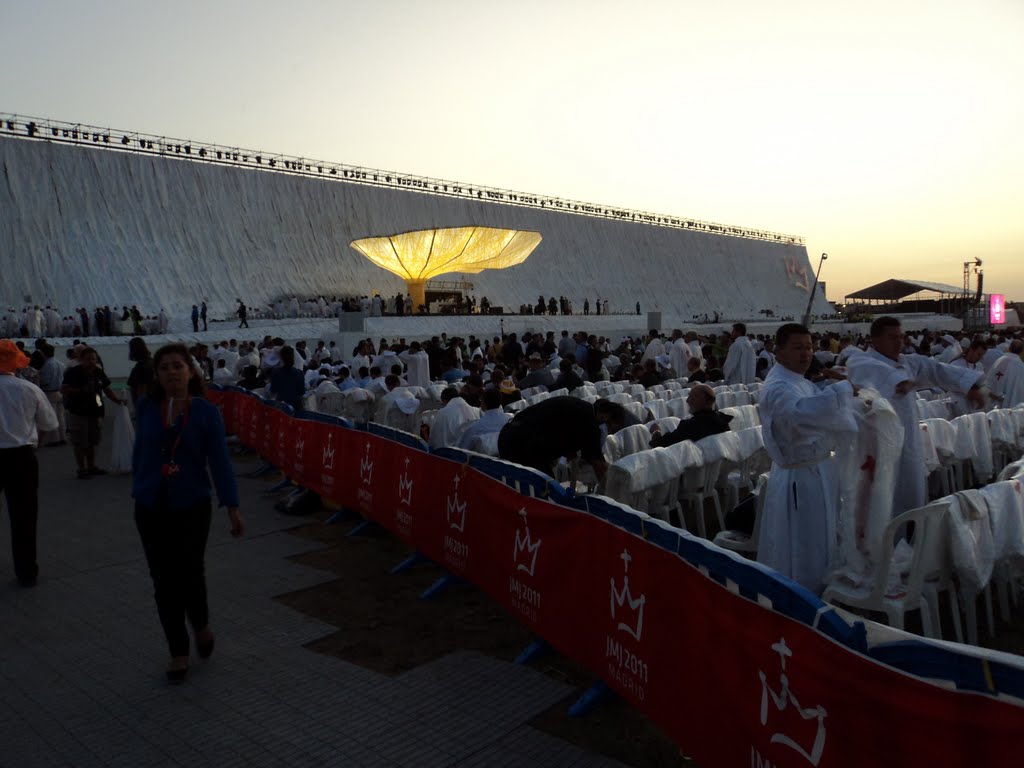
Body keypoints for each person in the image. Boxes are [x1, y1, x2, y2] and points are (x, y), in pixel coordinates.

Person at [132, 343, 243, 681]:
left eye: (177, 366)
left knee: (190, 571)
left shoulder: (206, 412)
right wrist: (140, 488)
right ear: (157, 375)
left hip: (192, 504)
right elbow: (141, 453)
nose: (171, 373)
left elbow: (220, 462)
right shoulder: (148, 407)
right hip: (151, 505)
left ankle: (201, 624)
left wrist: (232, 507)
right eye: (164, 367)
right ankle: (178, 650)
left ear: (191, 371)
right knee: (162, 580)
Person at [755, 324, 859, 594]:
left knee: (819, 540)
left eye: (810, 347)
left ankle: (821, 591)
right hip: (799, 477)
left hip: (816, 470)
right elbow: (798, 418)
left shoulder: (796, 380)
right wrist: (842, 393)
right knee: (803, 545)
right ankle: (804, 596)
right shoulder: (779, 387)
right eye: (798, 348)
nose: (806, 354)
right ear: (778, 352)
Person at [846, 316, 984, 517]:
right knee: (879, 505)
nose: (898, 342)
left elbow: (938, 369)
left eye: (900, 337)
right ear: (875, 340)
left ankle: (909, 540)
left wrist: (971, 387)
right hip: (876, 447)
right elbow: (872, 372)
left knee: (911, 497)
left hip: (908, 441)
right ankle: (882, 545)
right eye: (892, 337)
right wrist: (897, 381)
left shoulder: (908, 363)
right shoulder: (861, 361)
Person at [0, 340, 58, 587]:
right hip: (21, 457)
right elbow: (49, 425)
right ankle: (26, 571)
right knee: (24, 516)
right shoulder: (28, 388)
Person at [498, 396, 608, 482]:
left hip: (519, 438)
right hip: (519, 443)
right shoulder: (586, 421)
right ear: (602, 416)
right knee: (545, 485)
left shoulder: (577, 412)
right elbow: (598, 464)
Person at [61, 347, 125, 479]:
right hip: (77, 412)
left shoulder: (98, 372)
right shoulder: (73, 372)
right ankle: (82, 468)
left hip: (95, 411)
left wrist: (117, 401)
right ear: (81, 359)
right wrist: (80, 390)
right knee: (79, 442)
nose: (91, 362)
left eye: (94, 359)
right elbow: (64, 389)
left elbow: (106, 388)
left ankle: (91, 466)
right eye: (88, 359)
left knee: (92, 441)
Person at [648, 384, 732, 447]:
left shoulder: (691, 426)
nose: (687, 401)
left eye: (691, 397)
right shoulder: (723, 420)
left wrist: (656, 432)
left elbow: (660, 443)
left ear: (702, 400)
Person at [267, 346, 306, 412]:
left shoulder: (276, 372)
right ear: (293, 357)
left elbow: (273, 390)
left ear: (281, 357)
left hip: (282, 408)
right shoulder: (299, 373)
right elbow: (301, 392)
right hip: (296, 408)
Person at [987, 339, 1024, 408]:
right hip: (1012, 407)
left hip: (995, 406)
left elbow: (989, 382)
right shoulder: (1021, 367)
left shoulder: (999, 360)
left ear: (1009, 348)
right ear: (1021, 351)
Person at [127, 337, 155, 412]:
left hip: (145, 405)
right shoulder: (151, 362)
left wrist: (140, 407)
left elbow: (142, 388)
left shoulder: (141, 366)